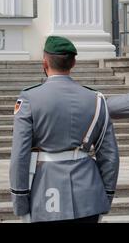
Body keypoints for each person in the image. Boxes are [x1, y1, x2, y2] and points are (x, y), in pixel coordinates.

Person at [9, 36, 120, 223]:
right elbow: (109, 156)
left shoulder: (29, 98)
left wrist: (20, 201)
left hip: (46, 193)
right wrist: (105, 195)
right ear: (73, 62)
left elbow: (20, 156)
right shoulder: (96, 99)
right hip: (89, 194)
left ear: (44, 61)